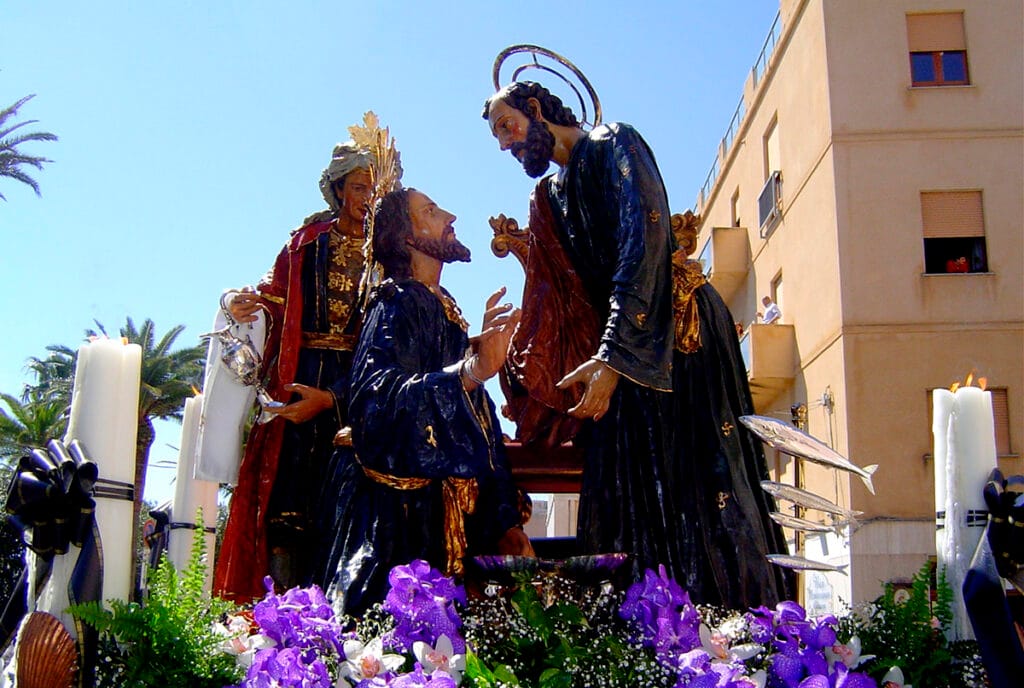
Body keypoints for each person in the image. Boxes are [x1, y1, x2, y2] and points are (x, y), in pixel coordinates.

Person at [483, 81, 792, 607]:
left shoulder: (614, 143)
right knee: (626, 484)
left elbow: (642, 242)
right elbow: (556, 294)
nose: (507, 145)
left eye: (507, 127)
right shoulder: (550, 196)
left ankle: (730, 622)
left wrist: (614, 354)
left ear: (536, 109)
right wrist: (524, 363)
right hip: (618, 349)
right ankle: (642, 625)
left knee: (699, 479)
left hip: (674, 337)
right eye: (499, 138)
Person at [325, 187, 532, 616]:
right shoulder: (396, 302)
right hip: (393, 518)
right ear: (406, 235)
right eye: (432, 211)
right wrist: (471, 372)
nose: (450, 216)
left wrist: (503, 514)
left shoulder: (441, 306)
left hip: (437, 511)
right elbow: (375, 400)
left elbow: (477, 412)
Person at [214, 142, 377, 601]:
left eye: (373, 189)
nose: (367, 198)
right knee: (290, 492)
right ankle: (281, 603)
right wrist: (243, 302)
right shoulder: (308, 243)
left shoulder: (384, 253)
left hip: (356, 375)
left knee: (343, 490)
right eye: (359, 187)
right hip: (303, 365)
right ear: (339, 190)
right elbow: (274, 294)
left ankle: (337, 600)